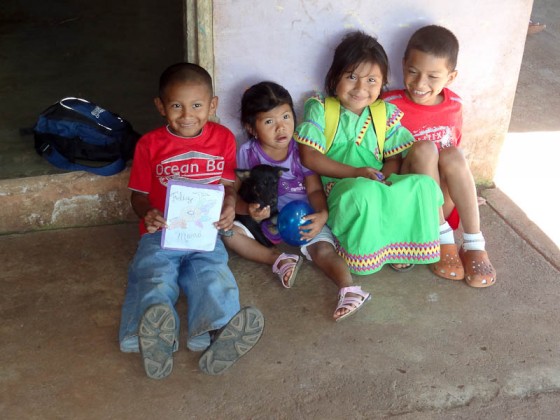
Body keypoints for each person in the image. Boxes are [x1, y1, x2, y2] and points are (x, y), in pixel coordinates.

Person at [118, 62, 264, 379]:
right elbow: (138, 196)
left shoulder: (224, 139)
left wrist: (229, 204)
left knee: (213, 275)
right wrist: (148, 213)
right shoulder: (150, 145)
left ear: (212, 105)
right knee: (155, 275)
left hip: (205, 234)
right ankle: (152, 336)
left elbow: (228, 185)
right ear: (161, 106)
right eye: (176, 106)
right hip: (162, 232)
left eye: (197, 105)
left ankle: (218, 331)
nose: (187, 115)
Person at [294, 30, 444, 276]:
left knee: (423, 186)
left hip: (375, 180)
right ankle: (365, 251)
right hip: (339, 188)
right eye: (352, 77)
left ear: (383, 81)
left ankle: (398, 247)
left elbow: (394, 158)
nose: (361, 88)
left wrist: (382, 180)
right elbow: (309, 157)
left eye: (372, 80)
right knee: (363, 193)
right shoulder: (320, 107)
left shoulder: (384, 112)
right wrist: (357, 173)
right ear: (334, 77)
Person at [223, 81, 371, 322]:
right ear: (251, 128)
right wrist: (247, 209)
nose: (281, 127)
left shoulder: (301, 151)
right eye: (269, 122)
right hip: (266, 221)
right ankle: (279, 259)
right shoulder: (247, 153)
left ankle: (349, 289)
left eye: (286, 116)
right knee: (228, 232)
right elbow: (234, 193)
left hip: (304, 217)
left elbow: (313, 190)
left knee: (323, 249)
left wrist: (321, 215)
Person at [382, 25, 496, 288]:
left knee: (454, 153)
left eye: (433, 76)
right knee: (424, 148)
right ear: (403, 65)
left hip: (441, 205)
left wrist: (464, 192)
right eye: (413, 71)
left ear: (451, 77)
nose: (420, 84)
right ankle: (442, 238)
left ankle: (473, 242)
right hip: (410, 204)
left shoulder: (455, 105)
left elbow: (452, 157)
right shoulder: (389, 105)